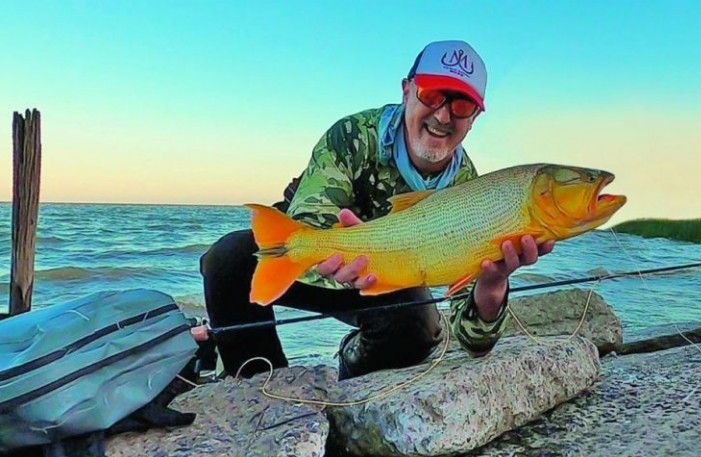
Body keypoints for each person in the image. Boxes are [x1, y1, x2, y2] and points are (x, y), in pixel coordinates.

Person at [200, 39, 555, 381]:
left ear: (475, 117)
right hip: (325, 262)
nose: (443, 115)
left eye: (462, 106)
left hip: (384, 284)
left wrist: (492, 287)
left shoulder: (472, 192)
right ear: (406, 91)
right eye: (432, 95)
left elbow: (472, 341)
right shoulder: (352, 135)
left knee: (417, 323)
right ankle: (259, 386)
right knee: (227, 260)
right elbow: (307, 223)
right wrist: (347, 254)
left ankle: (348, 378)